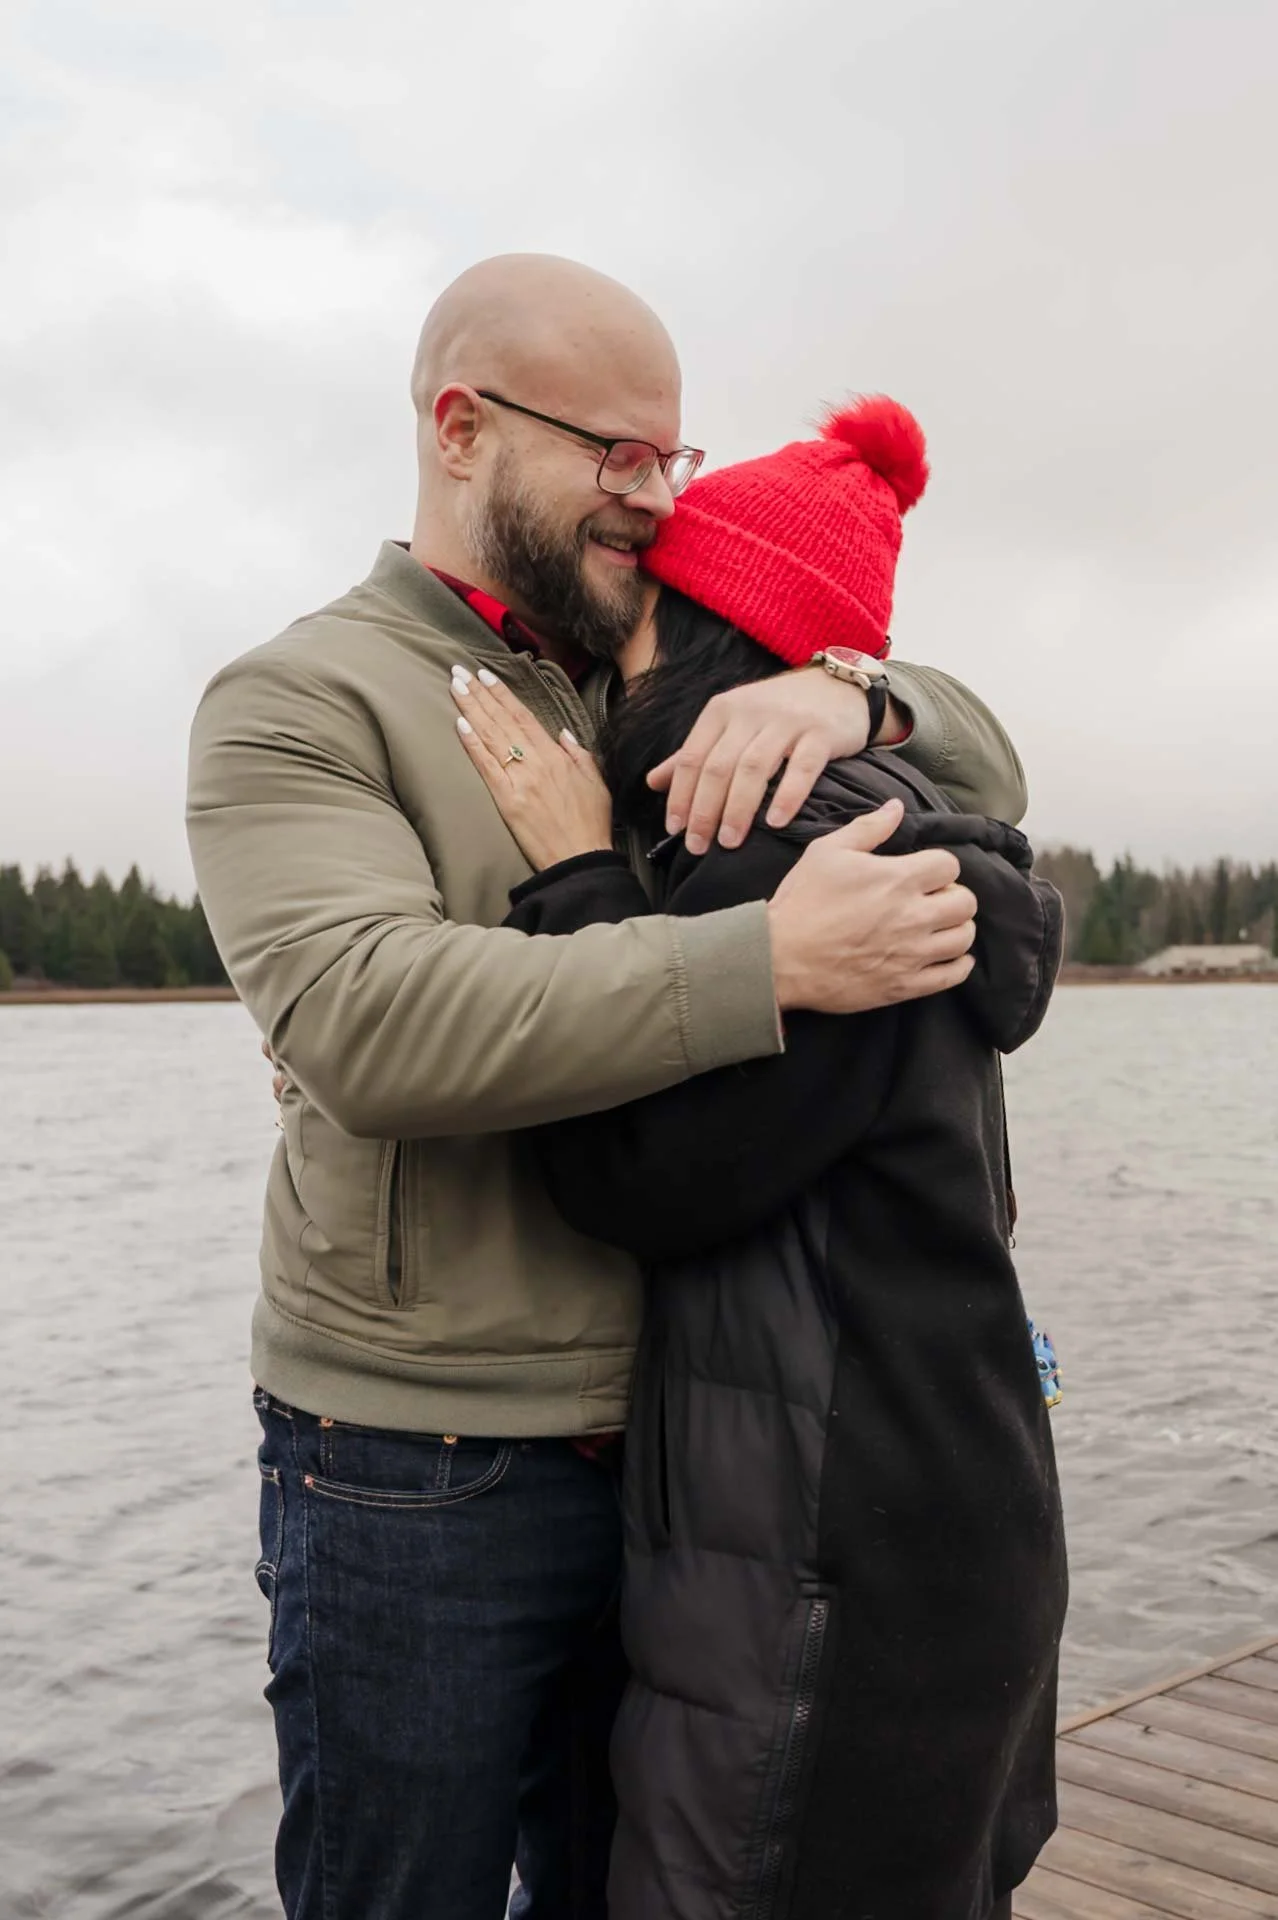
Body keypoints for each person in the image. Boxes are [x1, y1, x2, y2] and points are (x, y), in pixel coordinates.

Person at [187, 254, 1030, 1920]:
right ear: (459, 427)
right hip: (420, 1459)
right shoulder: (299, 700)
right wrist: (764, 964)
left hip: (682, 1451)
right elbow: (367, 1014)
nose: (653, 498)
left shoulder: (655, 664)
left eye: (674, 459)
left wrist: (853, 682)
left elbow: (985, 765)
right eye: (614, 454)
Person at [454, 395, 1067, 1918]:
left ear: (727, 661)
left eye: (646, 628)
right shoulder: (875, 814)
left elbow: (640, 1180)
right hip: (922, 1510)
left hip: (848, 1552)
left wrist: (582, 880)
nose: (613, 666)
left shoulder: (805, 861)